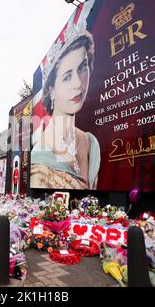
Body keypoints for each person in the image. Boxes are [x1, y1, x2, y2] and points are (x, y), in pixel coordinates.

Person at [31, 20, 100, 190]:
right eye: (67, 76)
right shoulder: (40, 155)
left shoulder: (90, 141)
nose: (78, 83)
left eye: (82, 67)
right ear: (51, 91)